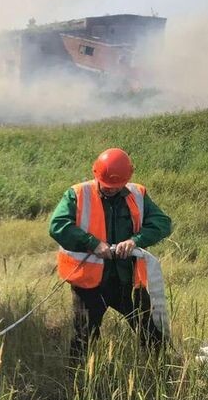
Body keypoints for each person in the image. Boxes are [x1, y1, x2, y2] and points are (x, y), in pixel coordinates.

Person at [49, 148, 172, 360]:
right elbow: (58, 226)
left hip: (130, 280)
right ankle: (78, 381)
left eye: (116, 187)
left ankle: (157, 371)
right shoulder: (77, 194)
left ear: (127, 178)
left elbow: (162, 223)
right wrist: (93, 244)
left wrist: (135, 241)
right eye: (106, 186)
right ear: (96, 173)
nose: (111, 190)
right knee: (84, 337)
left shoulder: (138, 194)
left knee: (151, 334)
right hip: (90, 284)